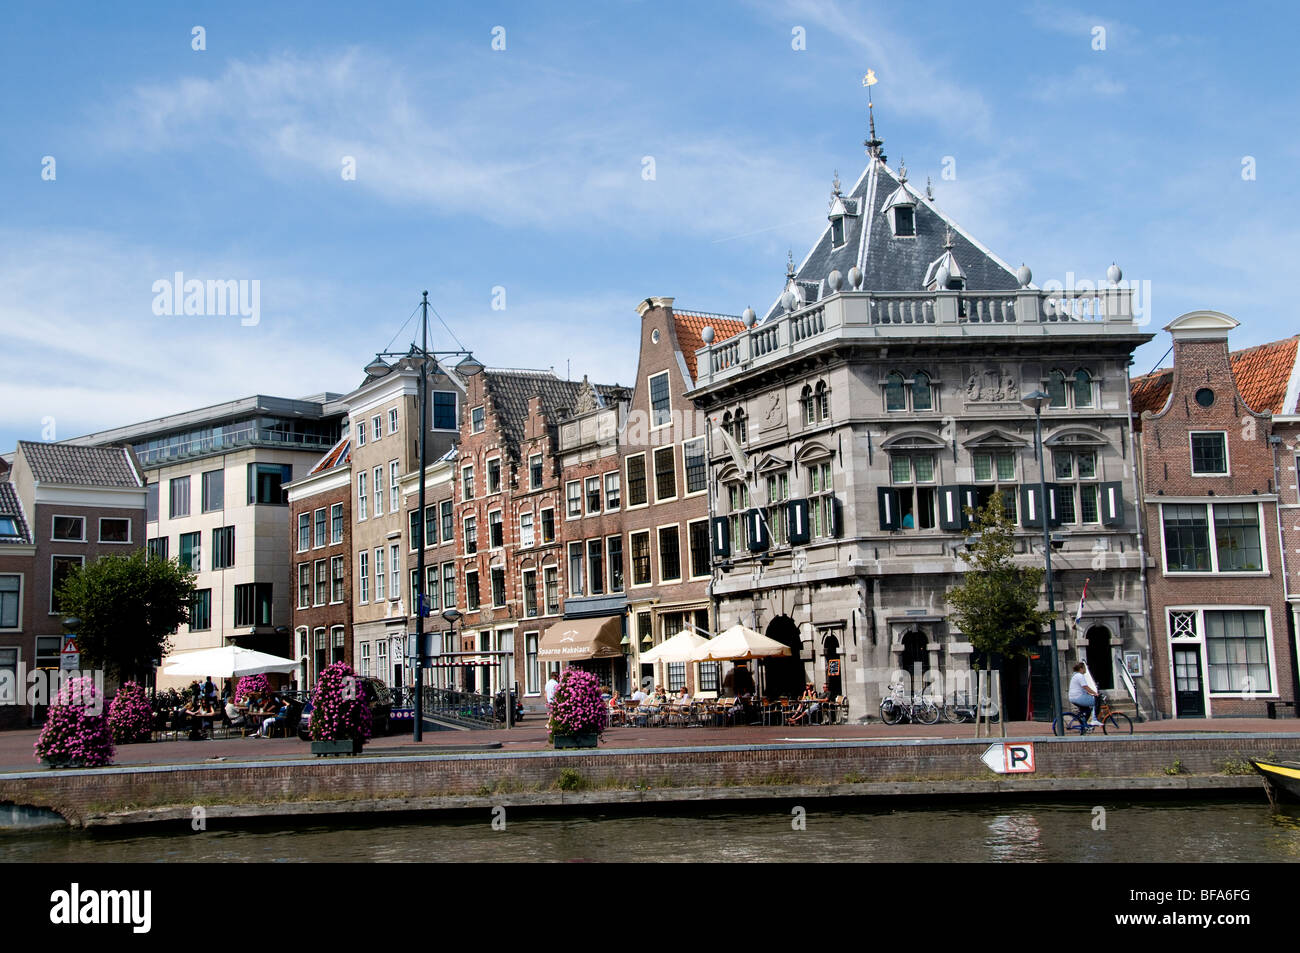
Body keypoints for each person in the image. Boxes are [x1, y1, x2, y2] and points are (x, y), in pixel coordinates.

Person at [1068, 662, 1102, 727]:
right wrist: (1095, 693)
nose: (1085, 669)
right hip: (1078, 698)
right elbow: (1085, 687)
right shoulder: (1080, 676)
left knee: (1088, 711)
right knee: (1096, 700)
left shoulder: (1075, 675)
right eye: (1084, 668)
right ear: (1081, 668)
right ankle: (1094, 719)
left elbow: (1082, 689)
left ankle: (1084, 726)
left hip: (1073, 698)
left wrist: (1090, 693)